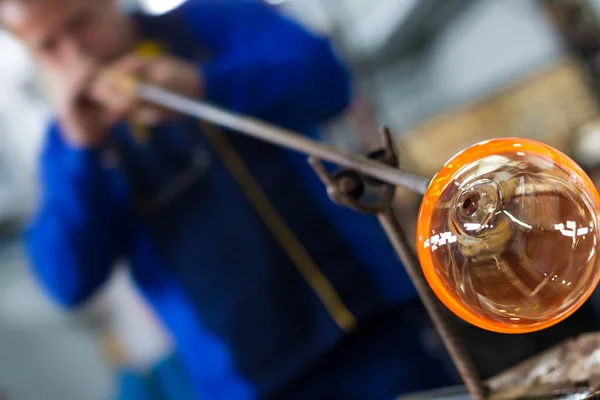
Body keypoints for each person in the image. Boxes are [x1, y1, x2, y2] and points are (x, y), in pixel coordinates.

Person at [0, 0, 456, 398]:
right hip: (249, 382)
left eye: (81, 22)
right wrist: (81, 155)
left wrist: (203, 84)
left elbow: (326, 79)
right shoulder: (67, 149)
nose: (77, 52)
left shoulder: (215, 23)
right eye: (49, 46)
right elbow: (67, 281)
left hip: (370, 325)